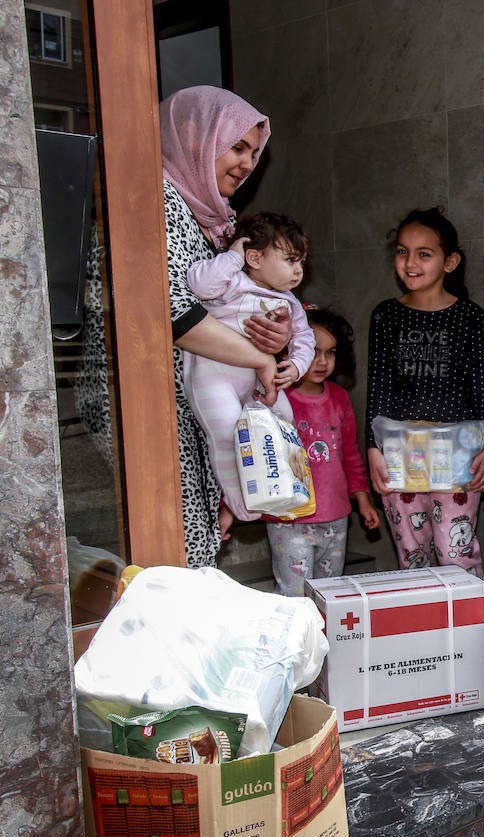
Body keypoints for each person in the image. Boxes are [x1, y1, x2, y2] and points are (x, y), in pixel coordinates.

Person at [159, 86, 293, 568]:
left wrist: (273, 338)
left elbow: (222, 308)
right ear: (195, 136)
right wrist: (257, 356)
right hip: (157, 423)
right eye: (237, 147)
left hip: (195, 420)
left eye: (254, 153)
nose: (246, 164)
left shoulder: (209, 219)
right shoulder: (159, 201)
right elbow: (172, 312)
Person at [365, 208, 484, 574]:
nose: (410, 262)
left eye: (425, 253)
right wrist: (373, 448)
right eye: (403, 251)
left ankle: (470, 633)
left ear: (449, 262)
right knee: (412, 557)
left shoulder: (469, 316)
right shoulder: (385, 315)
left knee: (456, 553)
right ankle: (423, 632)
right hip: (399, 456)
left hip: (457, 456)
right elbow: (378, 387)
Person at [185, 212, 316, 538]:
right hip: (213, 376)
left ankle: (287, 487)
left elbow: (306, 339)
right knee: (229, 431)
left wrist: (296, 366)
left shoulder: (290, 302)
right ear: (254, 257)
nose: (298, 270)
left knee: (285, 419)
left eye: (301, 262)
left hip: (258, 383)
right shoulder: (231, 283)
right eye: (289, 260)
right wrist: (232, 258)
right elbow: (196, 283)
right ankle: (240, 503)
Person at [266, 308, 380, 596]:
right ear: (286, 351)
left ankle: (326, 642)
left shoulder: (339, 398)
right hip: (290, 519)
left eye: (330, 353)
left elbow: (351, 455)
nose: (322, 361)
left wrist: (363, 500)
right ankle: (296, 642)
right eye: (313, 351)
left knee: (330, 594)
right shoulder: (276, 397)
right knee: (293, 594)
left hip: (336, 516)